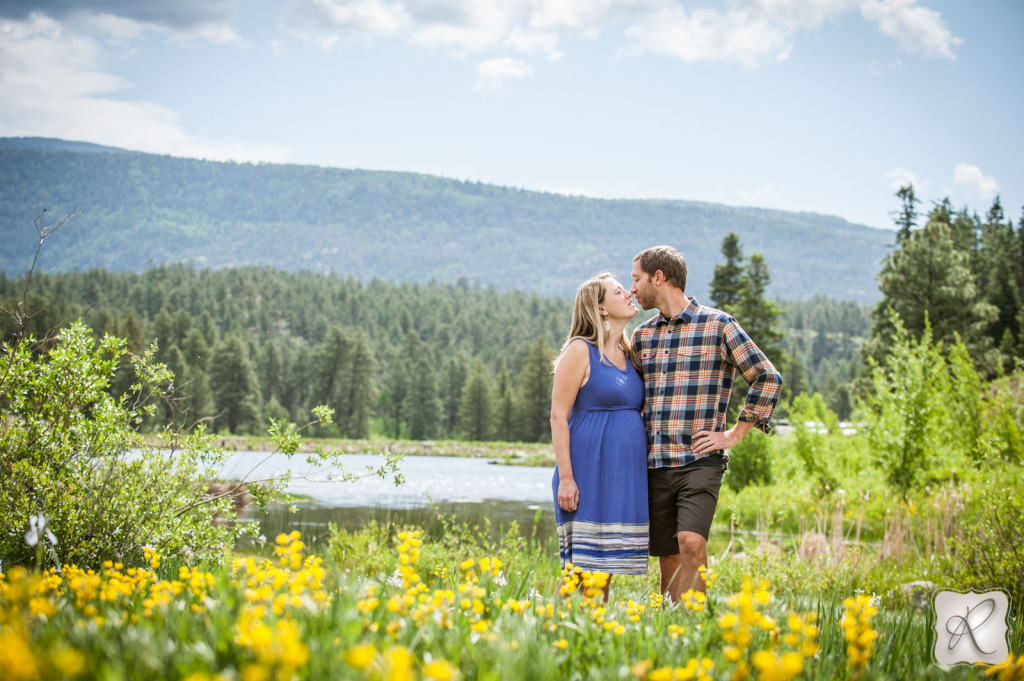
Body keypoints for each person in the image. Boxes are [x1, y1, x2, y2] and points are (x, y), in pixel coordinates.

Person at [629, 246, 782, 601]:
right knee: (668, 555)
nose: (632, 288)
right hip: (654, 463)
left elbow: (767, 377)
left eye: (636, 278)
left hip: (700, 460)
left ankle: (696, 625)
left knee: (692, 542)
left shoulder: (719, 325)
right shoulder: (642, 336)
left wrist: (734, 433)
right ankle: (673, 630)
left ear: (658, 277)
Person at [550, 273, 650, 598]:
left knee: (603, 574)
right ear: (601, 308)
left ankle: (590, 640)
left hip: (621, 477)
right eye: (619, 292)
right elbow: (558, 416)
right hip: (584, 474)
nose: (629, 293)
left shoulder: (631, 353)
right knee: (578, 573)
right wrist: (567, 478)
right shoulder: (581, 350)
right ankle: (546, 635)